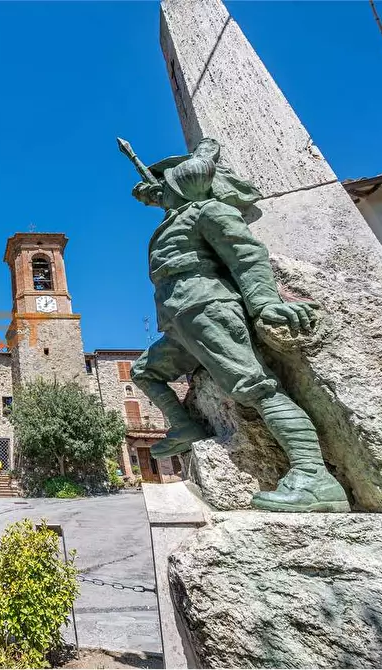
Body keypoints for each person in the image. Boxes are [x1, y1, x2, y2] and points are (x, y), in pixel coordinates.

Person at [128, 138, 348, 513]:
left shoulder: (208, 211)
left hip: (208, 307)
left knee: (254, 386)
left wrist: (265, 303)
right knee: (144, 371)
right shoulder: (176, 218)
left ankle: (314, 476)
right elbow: (151, 194)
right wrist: (153, 190)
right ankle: (186, 427)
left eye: (166, 183)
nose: (160, 190)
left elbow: (246, 255)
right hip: (181, 321)